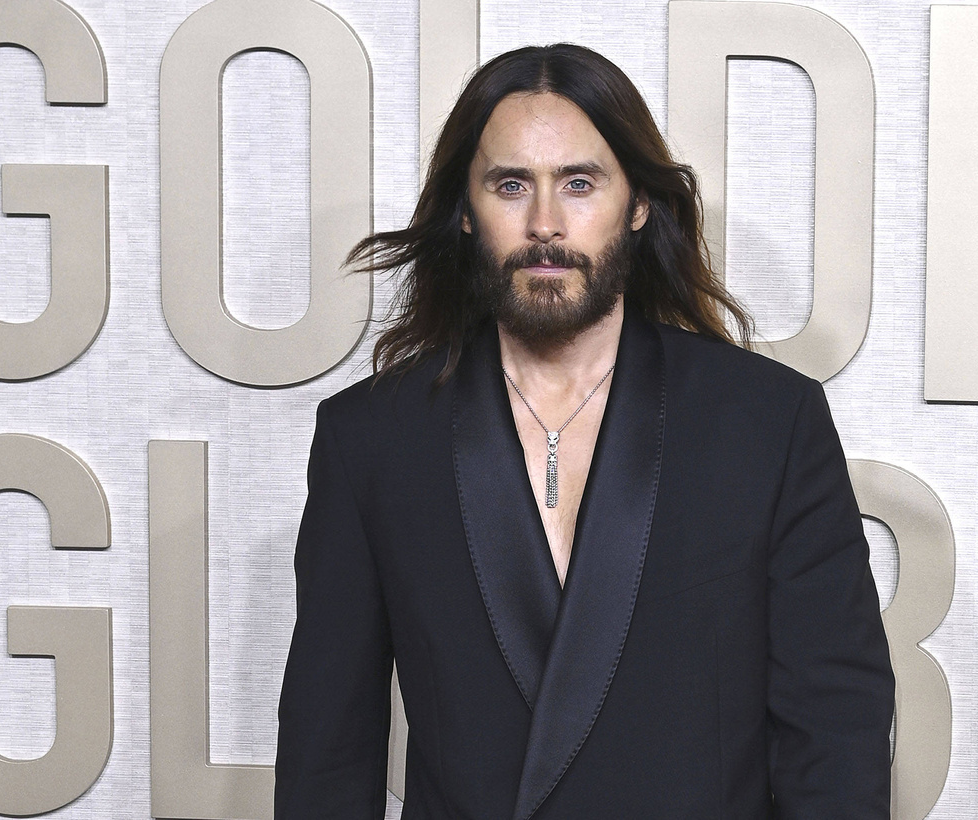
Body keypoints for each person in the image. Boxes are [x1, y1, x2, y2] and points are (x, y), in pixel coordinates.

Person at [275, 43, 893, 820]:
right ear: (464, 210)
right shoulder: (372, 440)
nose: (544, 224)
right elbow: (327, 755)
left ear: (637, 204)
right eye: (511, 185)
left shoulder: (767, 423)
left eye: (579, 183)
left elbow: (836, 735)